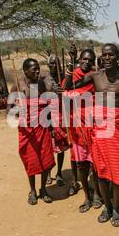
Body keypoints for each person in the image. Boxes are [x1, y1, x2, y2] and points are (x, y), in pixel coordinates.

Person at [65, 43, 119, 227]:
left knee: (117, 171)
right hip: (99, 127)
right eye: (105, 55)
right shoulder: (95, 76)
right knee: (100, 170)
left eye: (111, 55)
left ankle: (117, 208)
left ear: (118, 57)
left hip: (118, 128)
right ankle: (107, 207)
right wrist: (71, 64)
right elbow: (68, 87)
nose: (107, 58)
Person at [8, 58, 56, 205]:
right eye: (33, 69)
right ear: (25, 71)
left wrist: (51, 125)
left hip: (42, 127)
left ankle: (43, 189)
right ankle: (33, 190)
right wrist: (16, 112)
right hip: (26, 130)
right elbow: (10, 108)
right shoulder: (18, 86)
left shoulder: (41, 84)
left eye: (38, 68)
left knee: (45, 159)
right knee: (31, 160)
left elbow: (47, 106)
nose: (37, 71)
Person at [63, 46, 103, 212]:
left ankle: (97, 195)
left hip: (93, 125)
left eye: (90, 60)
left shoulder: (95, 76)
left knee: (95, 164)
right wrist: (70, 66)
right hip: (77, 126)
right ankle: (87, 196)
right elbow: (67, 88)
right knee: (81, 164)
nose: (86, 62)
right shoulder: (73, 75)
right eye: (83, 59)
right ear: (79, 60)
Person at [42, 55, 69, 187]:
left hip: (62, 115)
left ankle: (59, 173)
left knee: (61, 146)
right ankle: (47, 173)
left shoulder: (64, 78)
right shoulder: (44, 79)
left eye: (57, 64)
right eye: (52, 63)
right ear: (48, 65)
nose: (54, 66)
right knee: (48, 147)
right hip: (49, 115)